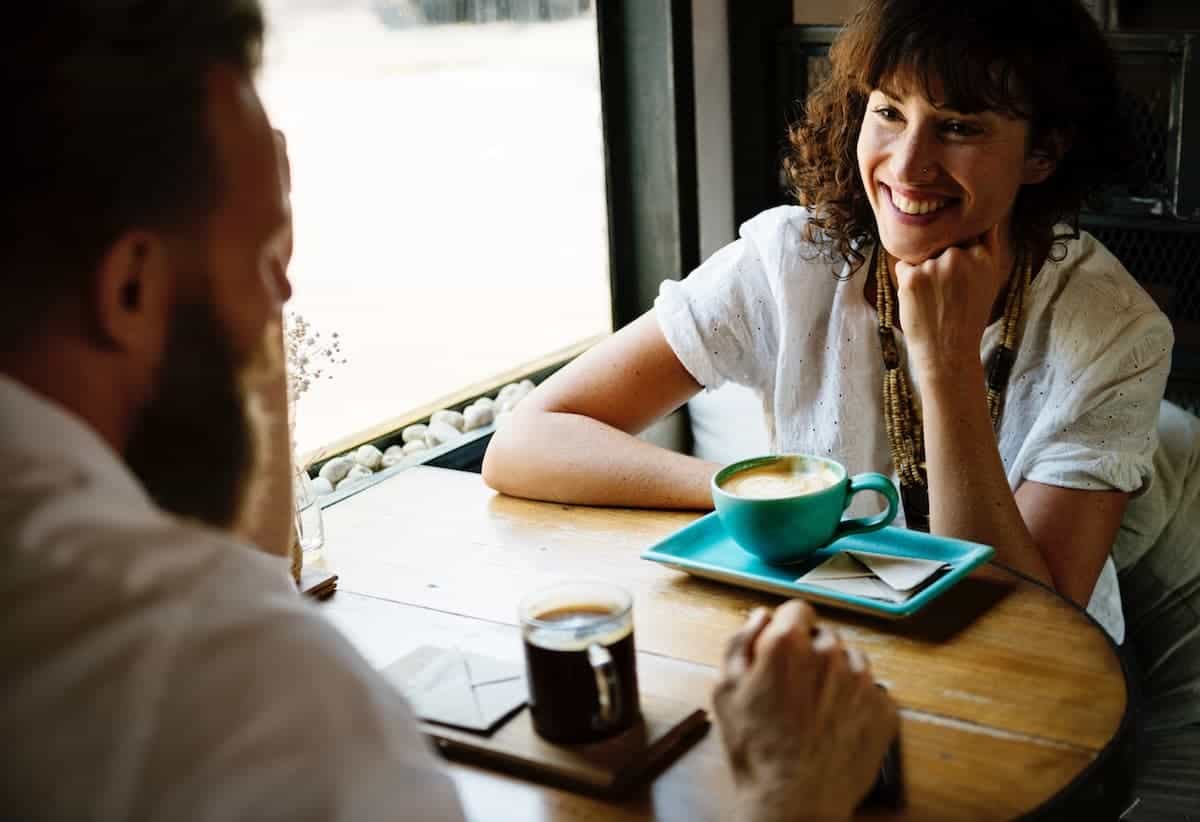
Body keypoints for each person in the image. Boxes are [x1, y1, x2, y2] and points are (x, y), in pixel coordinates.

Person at [0, 2, 896, 820]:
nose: (284, 298)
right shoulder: (244, 688)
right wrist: (788, 796)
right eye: (265, 256)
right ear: (130, 288)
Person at [483, 0, 1173, 646]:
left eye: (959, 126)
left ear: (1041, 154)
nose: (907, 166)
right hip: (828, 641)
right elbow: (524, 443)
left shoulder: (1117, 330)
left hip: (1040, 686)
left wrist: (946, 361)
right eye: (890, 112)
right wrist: (765, 502)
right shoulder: (792, 260)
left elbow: (1028, 625)